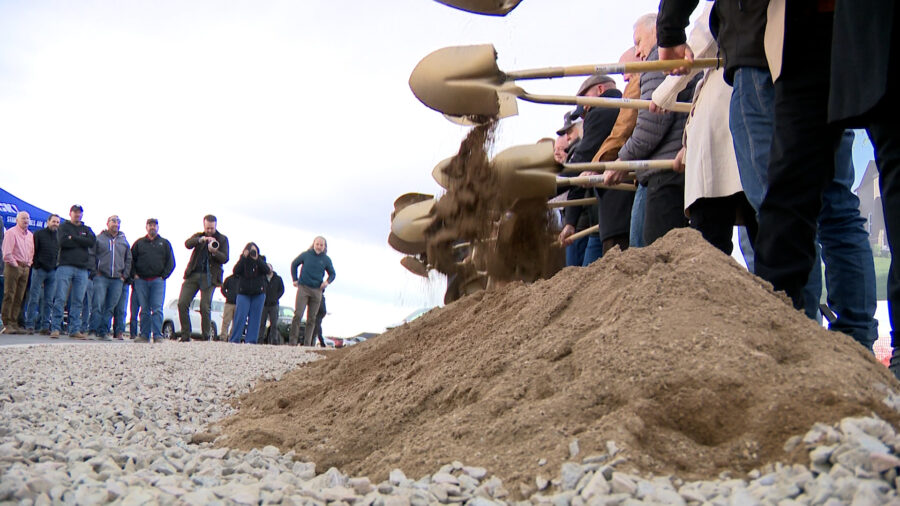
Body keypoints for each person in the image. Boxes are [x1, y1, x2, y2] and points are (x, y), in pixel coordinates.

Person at [605, 13, 699, 247]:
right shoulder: (666, 59)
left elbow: (651, 124)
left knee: (657, 254)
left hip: (665, 174)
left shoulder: (657, 59)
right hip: (667, 168)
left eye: (638, 42)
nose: (637, 51)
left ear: (656, 31)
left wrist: (623, 160)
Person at [595, 47, 643, 248]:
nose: (625, 78)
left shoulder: (640, 80)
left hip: (648, 176)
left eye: (625, 70)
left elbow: (623, 128)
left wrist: (596, 164)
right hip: (644, 172)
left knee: (641, 246)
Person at [178, 215, 229, 342]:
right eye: (207, 228)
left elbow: (225, 258)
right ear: (204, 226)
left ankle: (206, 336)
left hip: (210, 276)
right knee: (182, 303)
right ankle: (185, 334)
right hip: (193, 274)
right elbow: (187, 244)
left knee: (205, 306)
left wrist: (214, 251)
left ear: (216, 226)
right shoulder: (199, 236)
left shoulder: (222, 239)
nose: (210, 231)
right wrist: (201, 240)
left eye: (212, 228)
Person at [50, 205, 95, 339]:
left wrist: (73, 238)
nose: (77, 215)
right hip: (65, 266)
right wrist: (81, 241)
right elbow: (63, 242)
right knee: (60, 298)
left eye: (79, 213)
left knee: (78, 301)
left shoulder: (87, 229)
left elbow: (91, 242)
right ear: (70, 213)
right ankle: (55, 328)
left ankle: (74, 329)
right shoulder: (63, 227)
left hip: (82, 269)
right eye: (75, 212)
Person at [132, 218, 175, 342]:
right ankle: (144, 335)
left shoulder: (164, 243)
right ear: (146, 227)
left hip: (158, 281)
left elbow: (171, 262)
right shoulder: (139, 243)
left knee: (157, 309)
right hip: (141, 281)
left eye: (155, 225)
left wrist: (163, 276)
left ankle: (157, 335)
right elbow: (131, 260)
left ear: (158, 227)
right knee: (144, 309)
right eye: (150, 225)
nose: (152, 227)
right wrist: (134, 275)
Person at [90, 216, 131, 341]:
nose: (116, 224)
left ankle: (103, 331)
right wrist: (95, 272)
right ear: (107, 223)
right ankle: (93, 330)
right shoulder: (99, 238)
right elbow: (92, 255)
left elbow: (128, 259)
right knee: (97, 304)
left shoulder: (124, 241)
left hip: (117, 279)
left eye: (118, 222)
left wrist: (124, 276)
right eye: (113, 221)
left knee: (110, 307)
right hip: (101, 277)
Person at [290, 236, 336, 346]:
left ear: (324, 246)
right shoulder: (306, 255)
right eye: (317, 244)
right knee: (298, 315)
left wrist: (327, 282)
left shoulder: (326, 259)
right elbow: (294, 264)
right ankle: (292, 342)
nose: (319, 246)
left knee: (312, 318)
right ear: (313, 244)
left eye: (321, 245)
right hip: (304, 288)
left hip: (317, 290)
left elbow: (333, 274)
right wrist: (295, 279)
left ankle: (307, 343)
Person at [24, 213, 60, 334]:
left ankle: (45, 326)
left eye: (57, 222)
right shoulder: (39, 234)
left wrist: (56, 266)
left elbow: (59, 253)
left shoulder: (59, 236)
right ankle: (29, 325)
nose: (55, 224)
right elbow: (33, 250)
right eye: (53, 221)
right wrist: (37, 264)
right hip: (39, 270)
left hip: (53, 271)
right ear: (48, 221)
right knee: (34, 298)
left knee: (49, 300)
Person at [229, 242, 270, 344]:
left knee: (255, 318)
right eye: (250, 250)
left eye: (254, 251)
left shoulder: (261, 260)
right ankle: (234, 340)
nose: (252, 253)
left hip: (258, 293)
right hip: (243, 292)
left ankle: (251, 341)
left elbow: (267, 270)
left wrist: (257, 259)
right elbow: (235, 271)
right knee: (240, 316)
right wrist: (244, 257)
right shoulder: (243, 260)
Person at [2, 211, 34, 334]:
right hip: (13, 266)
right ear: (17, 220)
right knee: (10, 294)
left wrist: (29, 263)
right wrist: (16, 265)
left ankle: (14, 322)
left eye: (27, 218)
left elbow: (31, 251)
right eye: (23, 218)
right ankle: (6, 323)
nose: (26, 220)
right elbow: (7, 253)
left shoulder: (30, 235)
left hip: (25, 267)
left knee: (19, 296)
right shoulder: (11, 233)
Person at [259, 263, 284, 345]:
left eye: (269, 267)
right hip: (264, 304)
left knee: (274, 324)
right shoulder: (262, 278)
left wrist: (276, 297)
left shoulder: (278, 278)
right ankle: (260, 340)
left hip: (274, 304)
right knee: (262, 323)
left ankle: (274, 341)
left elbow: (282, 290)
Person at [219, 274, 238, 341]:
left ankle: (232, 338)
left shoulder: (242, 279)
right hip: (229, 303)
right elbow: (223, 289)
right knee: (226, 321)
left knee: (236, 322)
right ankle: (223, 337)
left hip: (238, 304)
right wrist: (227, 296)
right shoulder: (229, 279)